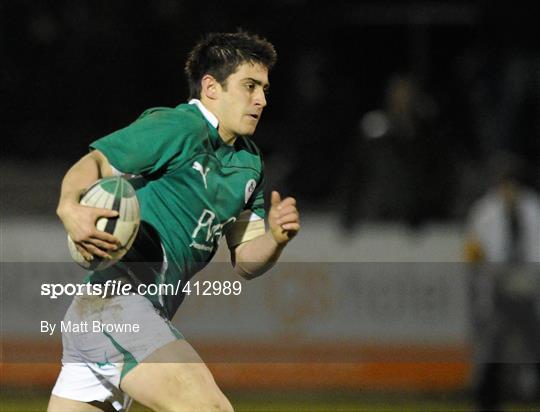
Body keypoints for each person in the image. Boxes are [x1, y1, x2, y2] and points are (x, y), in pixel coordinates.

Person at [47, 31, 300, 412]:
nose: (261, 100)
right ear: (211, 87)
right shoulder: (178, 127)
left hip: (117, 315)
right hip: (116, 305)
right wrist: (69, 206)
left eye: (264, 88)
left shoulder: (249, 163)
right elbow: (95, 163)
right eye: (250, 86)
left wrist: (277, 239)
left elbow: (247, 259)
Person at [464, 153, 540, 411]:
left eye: (514, 183)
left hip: (529, 290)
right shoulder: (485, 212)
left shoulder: (533, 209)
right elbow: (474, 254)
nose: (509, 190)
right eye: (505, 183)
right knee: (493, 349)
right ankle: (487, 403)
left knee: (534, 343)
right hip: (498, 292)